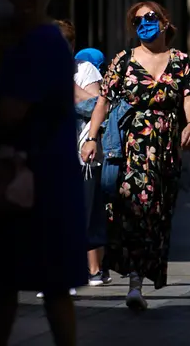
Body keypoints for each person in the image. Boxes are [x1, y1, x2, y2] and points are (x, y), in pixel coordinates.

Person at [0, 0, 86, 346]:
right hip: (26, 188)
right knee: (7, 284)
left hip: (38, 189)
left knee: (45, 287)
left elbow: (10, 112)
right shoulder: (33, 42)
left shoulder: (40, 43)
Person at [81, 1, 190, 310]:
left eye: (150, 18)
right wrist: (92, 137)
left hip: (167, 150)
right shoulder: (123, 61)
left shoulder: (181, 62)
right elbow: (103, 102)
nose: (144, 24)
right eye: (137, 21)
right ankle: (135, 281)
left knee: (158, 215)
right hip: (132, 148)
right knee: (137, 207)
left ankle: (142, 274)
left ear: (163, 21)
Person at [56, 20, 110, 289]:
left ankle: (94, 269)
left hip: (82, 154)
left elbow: (95, 105)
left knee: (86, 214)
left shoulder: (84, 69)